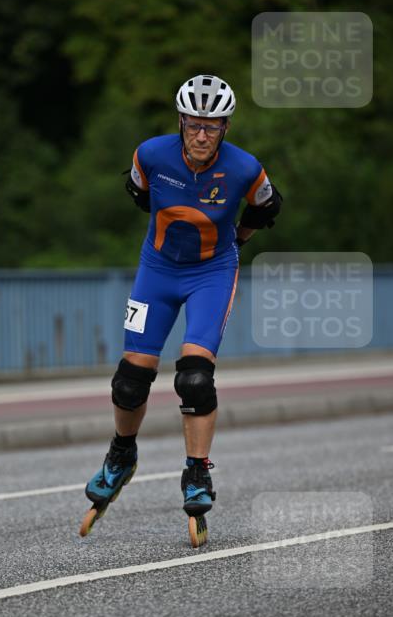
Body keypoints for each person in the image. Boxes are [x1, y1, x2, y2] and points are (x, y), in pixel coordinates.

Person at [84, 74, 282, 534]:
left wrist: (239, 237)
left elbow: (267, 208)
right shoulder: (150, 155)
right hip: (157, 270)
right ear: (180, 120)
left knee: (194, 377)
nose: (200, 135)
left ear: (226, 128)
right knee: (130, 381)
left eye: (211, 127)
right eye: (193, 124)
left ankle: (196, 470)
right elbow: (140, 194)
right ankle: (121, 453)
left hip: (212, 272)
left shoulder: (245, 169)